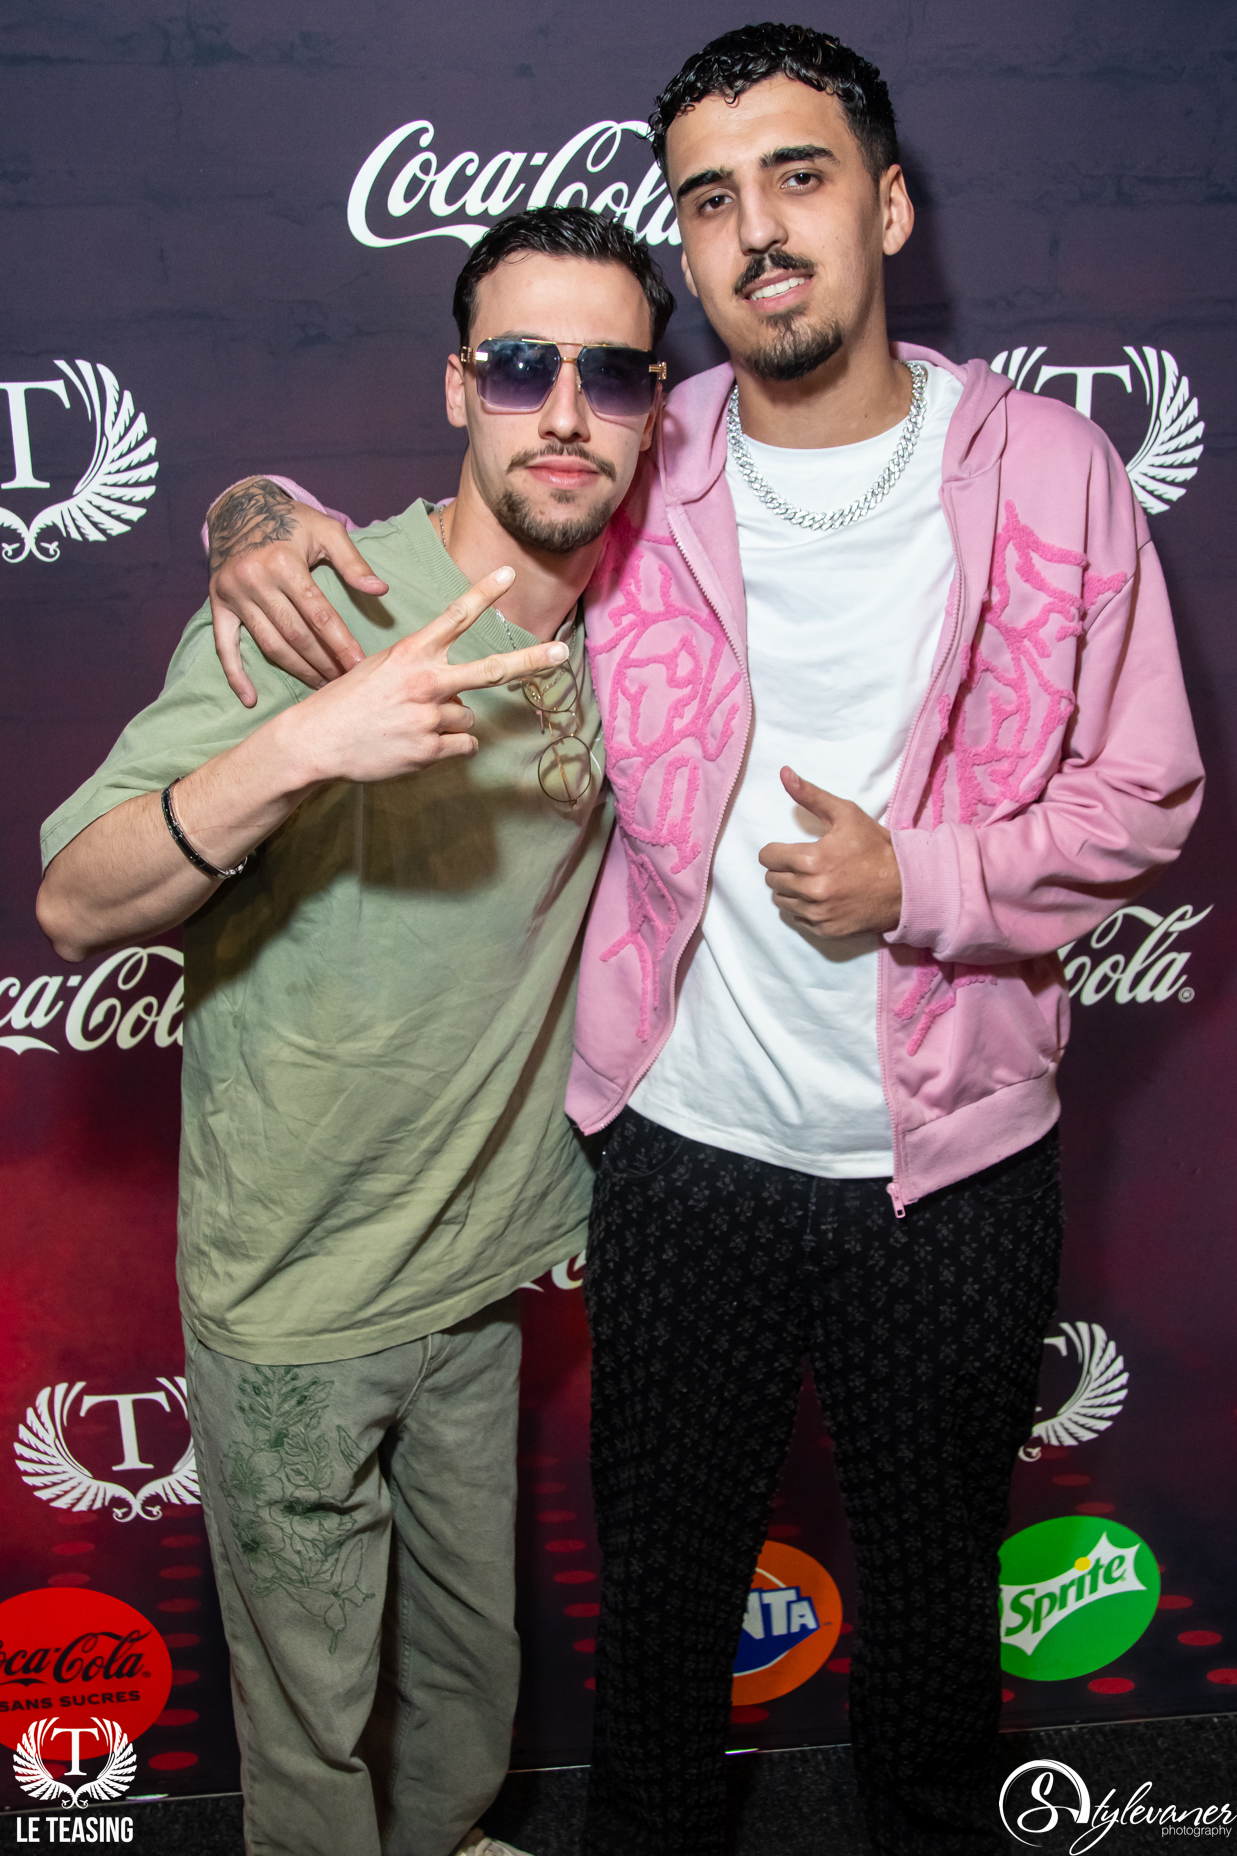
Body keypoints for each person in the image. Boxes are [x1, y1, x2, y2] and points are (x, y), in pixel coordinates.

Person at [199, 24, 1204, 1856]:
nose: (756, 230)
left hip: (953, 1163)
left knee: (931, 1625)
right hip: (680, 1156)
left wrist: (925, 885)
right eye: (710, 197)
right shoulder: (639, 460)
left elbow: (1144, 794)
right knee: (659, 1628)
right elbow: (454, 517)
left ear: (884, 207)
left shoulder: (1050, 471)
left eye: (797, 178)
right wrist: (246, 515)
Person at [35, 207, 674, 1856]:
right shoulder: (315, 603)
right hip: (299, 1290)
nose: (563, 412)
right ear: (457, 384)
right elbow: (77, 902)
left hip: (484, 1260)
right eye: (520, 365)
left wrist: (240, 496)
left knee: (468, 1668)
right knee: (311, 1722)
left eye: (610, 376)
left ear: (653, 410)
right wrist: (304, 742)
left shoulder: (649, 616)